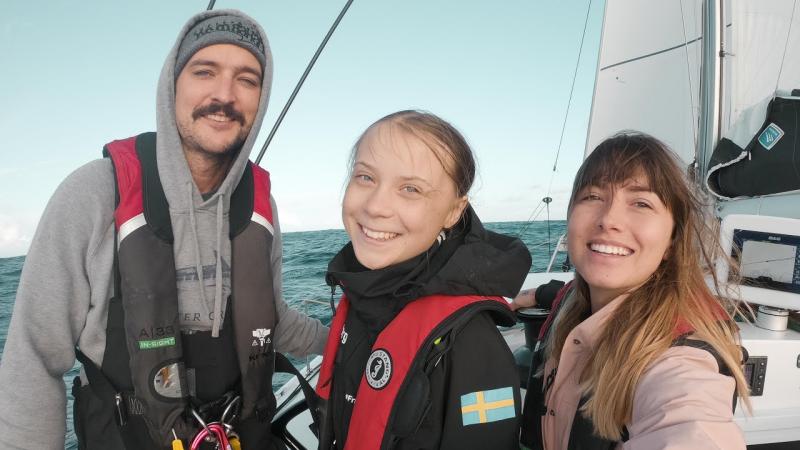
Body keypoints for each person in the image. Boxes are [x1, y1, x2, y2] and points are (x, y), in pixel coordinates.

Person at [0, 9, 328, 450]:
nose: (224, 94)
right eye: (204, 71)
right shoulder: (94, 194)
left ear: (262, 98)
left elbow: (271, 320)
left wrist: (348, 337)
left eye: (247, 79)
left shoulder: (260, 205)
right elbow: (34, 360)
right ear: (172, 84)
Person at [313, 110, 532, 450]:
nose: (376, 206)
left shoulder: (471, 345)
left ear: (453, 212)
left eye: (410, 188)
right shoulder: (364, 293)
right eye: (366, 177)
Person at [515, 133, 750, 450]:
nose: (609, 219)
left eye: (641, 203)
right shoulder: (578, 298)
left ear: (672, 241)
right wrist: (538, 293)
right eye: (593, 197)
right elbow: (569, 291)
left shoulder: (679, 358)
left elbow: (690, 427)